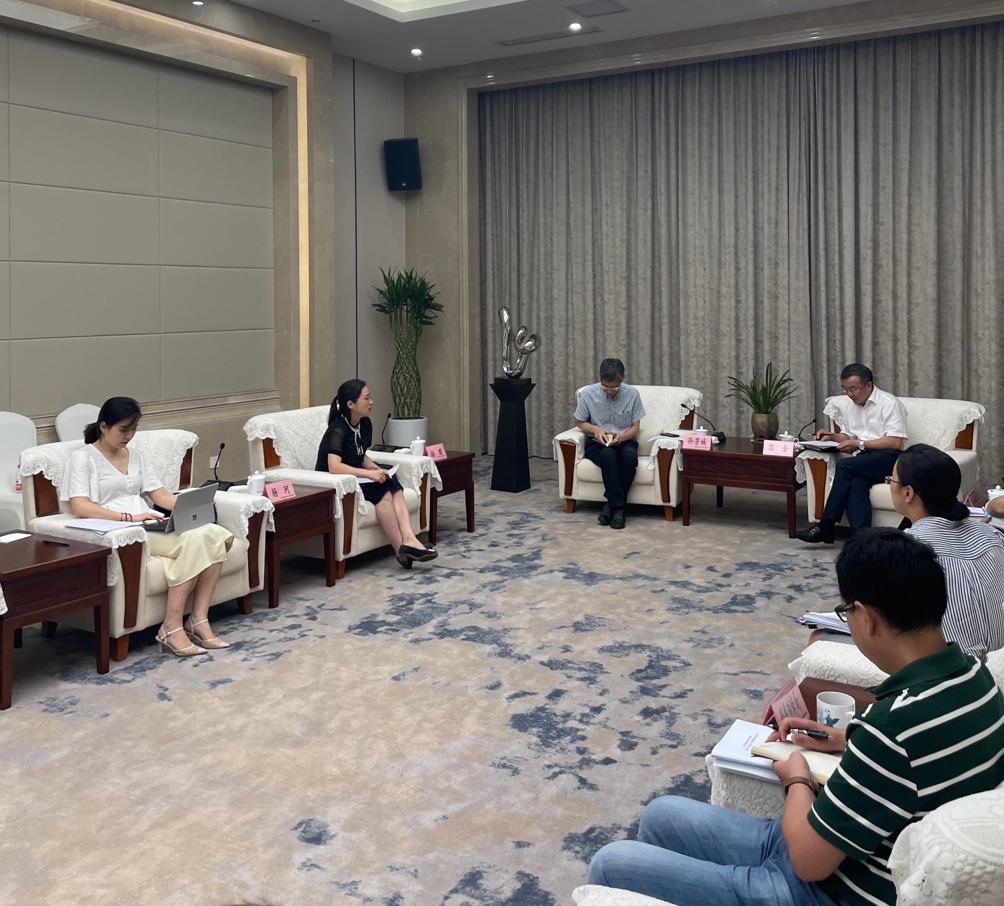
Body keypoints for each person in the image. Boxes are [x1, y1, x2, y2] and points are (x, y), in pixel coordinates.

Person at [587, 529, 1004, 905]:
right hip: (844, 845)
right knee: (660, 815)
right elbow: (926, 759)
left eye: (845, 612)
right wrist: (845, 738)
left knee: (611, 864)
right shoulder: (976, 676)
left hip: (820, 887)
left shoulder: (890, 730)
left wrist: (798, 778)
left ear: (868, 618)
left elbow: (808, 863)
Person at [62, 397, 234, 656]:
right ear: (103, 427)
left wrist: (189, 505)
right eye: (123, 430)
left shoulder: (135, 455)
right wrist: (128, 517)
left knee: (214, 533)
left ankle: (198, 619)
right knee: (196, 540)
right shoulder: (83, 458)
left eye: (133, 429)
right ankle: (172, 627)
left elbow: (159, 495)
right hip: (121, 531)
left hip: (149, 523)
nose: (128, 436)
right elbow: (79, 506)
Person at [315, 379, 436, 569]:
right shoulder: (337, 429)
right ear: (351, 404)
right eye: (366, 398)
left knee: (389, 476)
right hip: (338, 482)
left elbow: (360, 455)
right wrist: (369, 474)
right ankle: (401, 549)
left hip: (357, 474)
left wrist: (374, 469)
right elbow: (334, 466)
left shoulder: (364, 424)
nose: (371, 402)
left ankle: (409, 539)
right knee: (383, 494)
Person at [796, 364, 907, 543]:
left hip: (890, 458)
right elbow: (849, 436)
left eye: (854, 389)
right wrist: (832, 436)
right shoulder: (851, 406)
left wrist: (860, 444)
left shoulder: (889, 403)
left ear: (869, 386)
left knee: (845, 466)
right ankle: (861, 539)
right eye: (845, 389)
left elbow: (895, 441)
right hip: (865, 458)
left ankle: (826, 525)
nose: (849, 394)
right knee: (857, 484)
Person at [574, 358, 645, 530]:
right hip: (597, 443)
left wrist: (622, 437)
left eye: (614, 387)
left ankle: (609, 507)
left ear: (622, 379)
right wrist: (596, 430)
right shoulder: (588, 394)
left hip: (624, 440)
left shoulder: (632, 394)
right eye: (605, 387)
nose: (610, 391)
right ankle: (619, 510)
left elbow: (635, 427)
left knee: (629, 459)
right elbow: (579, 422)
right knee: (608, 455)